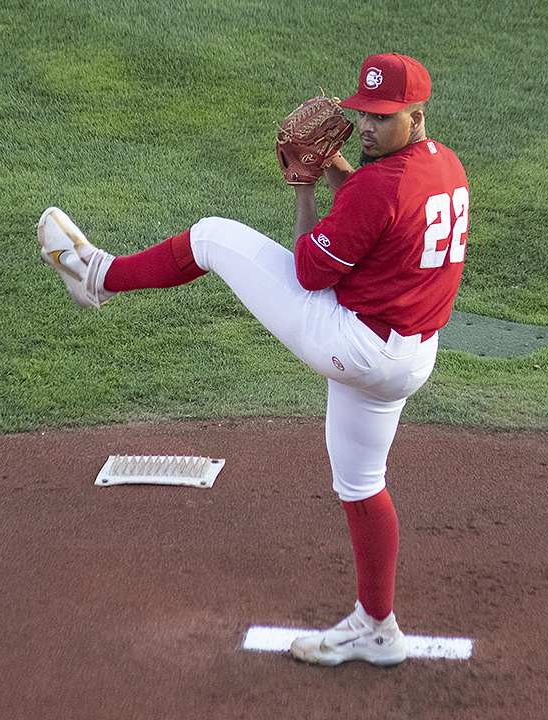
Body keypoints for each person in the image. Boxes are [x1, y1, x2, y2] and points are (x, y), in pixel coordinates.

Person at [36, 53, 469, 666]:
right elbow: (378, 213)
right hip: (409, 360)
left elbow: (309, 271)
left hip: (355, 345)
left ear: (416, 113)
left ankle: (98, 278)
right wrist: (340, 166)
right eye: (363, 114)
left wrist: (304, 190)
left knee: (212, 236)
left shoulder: (378, 187)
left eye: (382, 118)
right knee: (361, 484)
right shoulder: (445, 165)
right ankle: (378, 627)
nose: (366, 127)